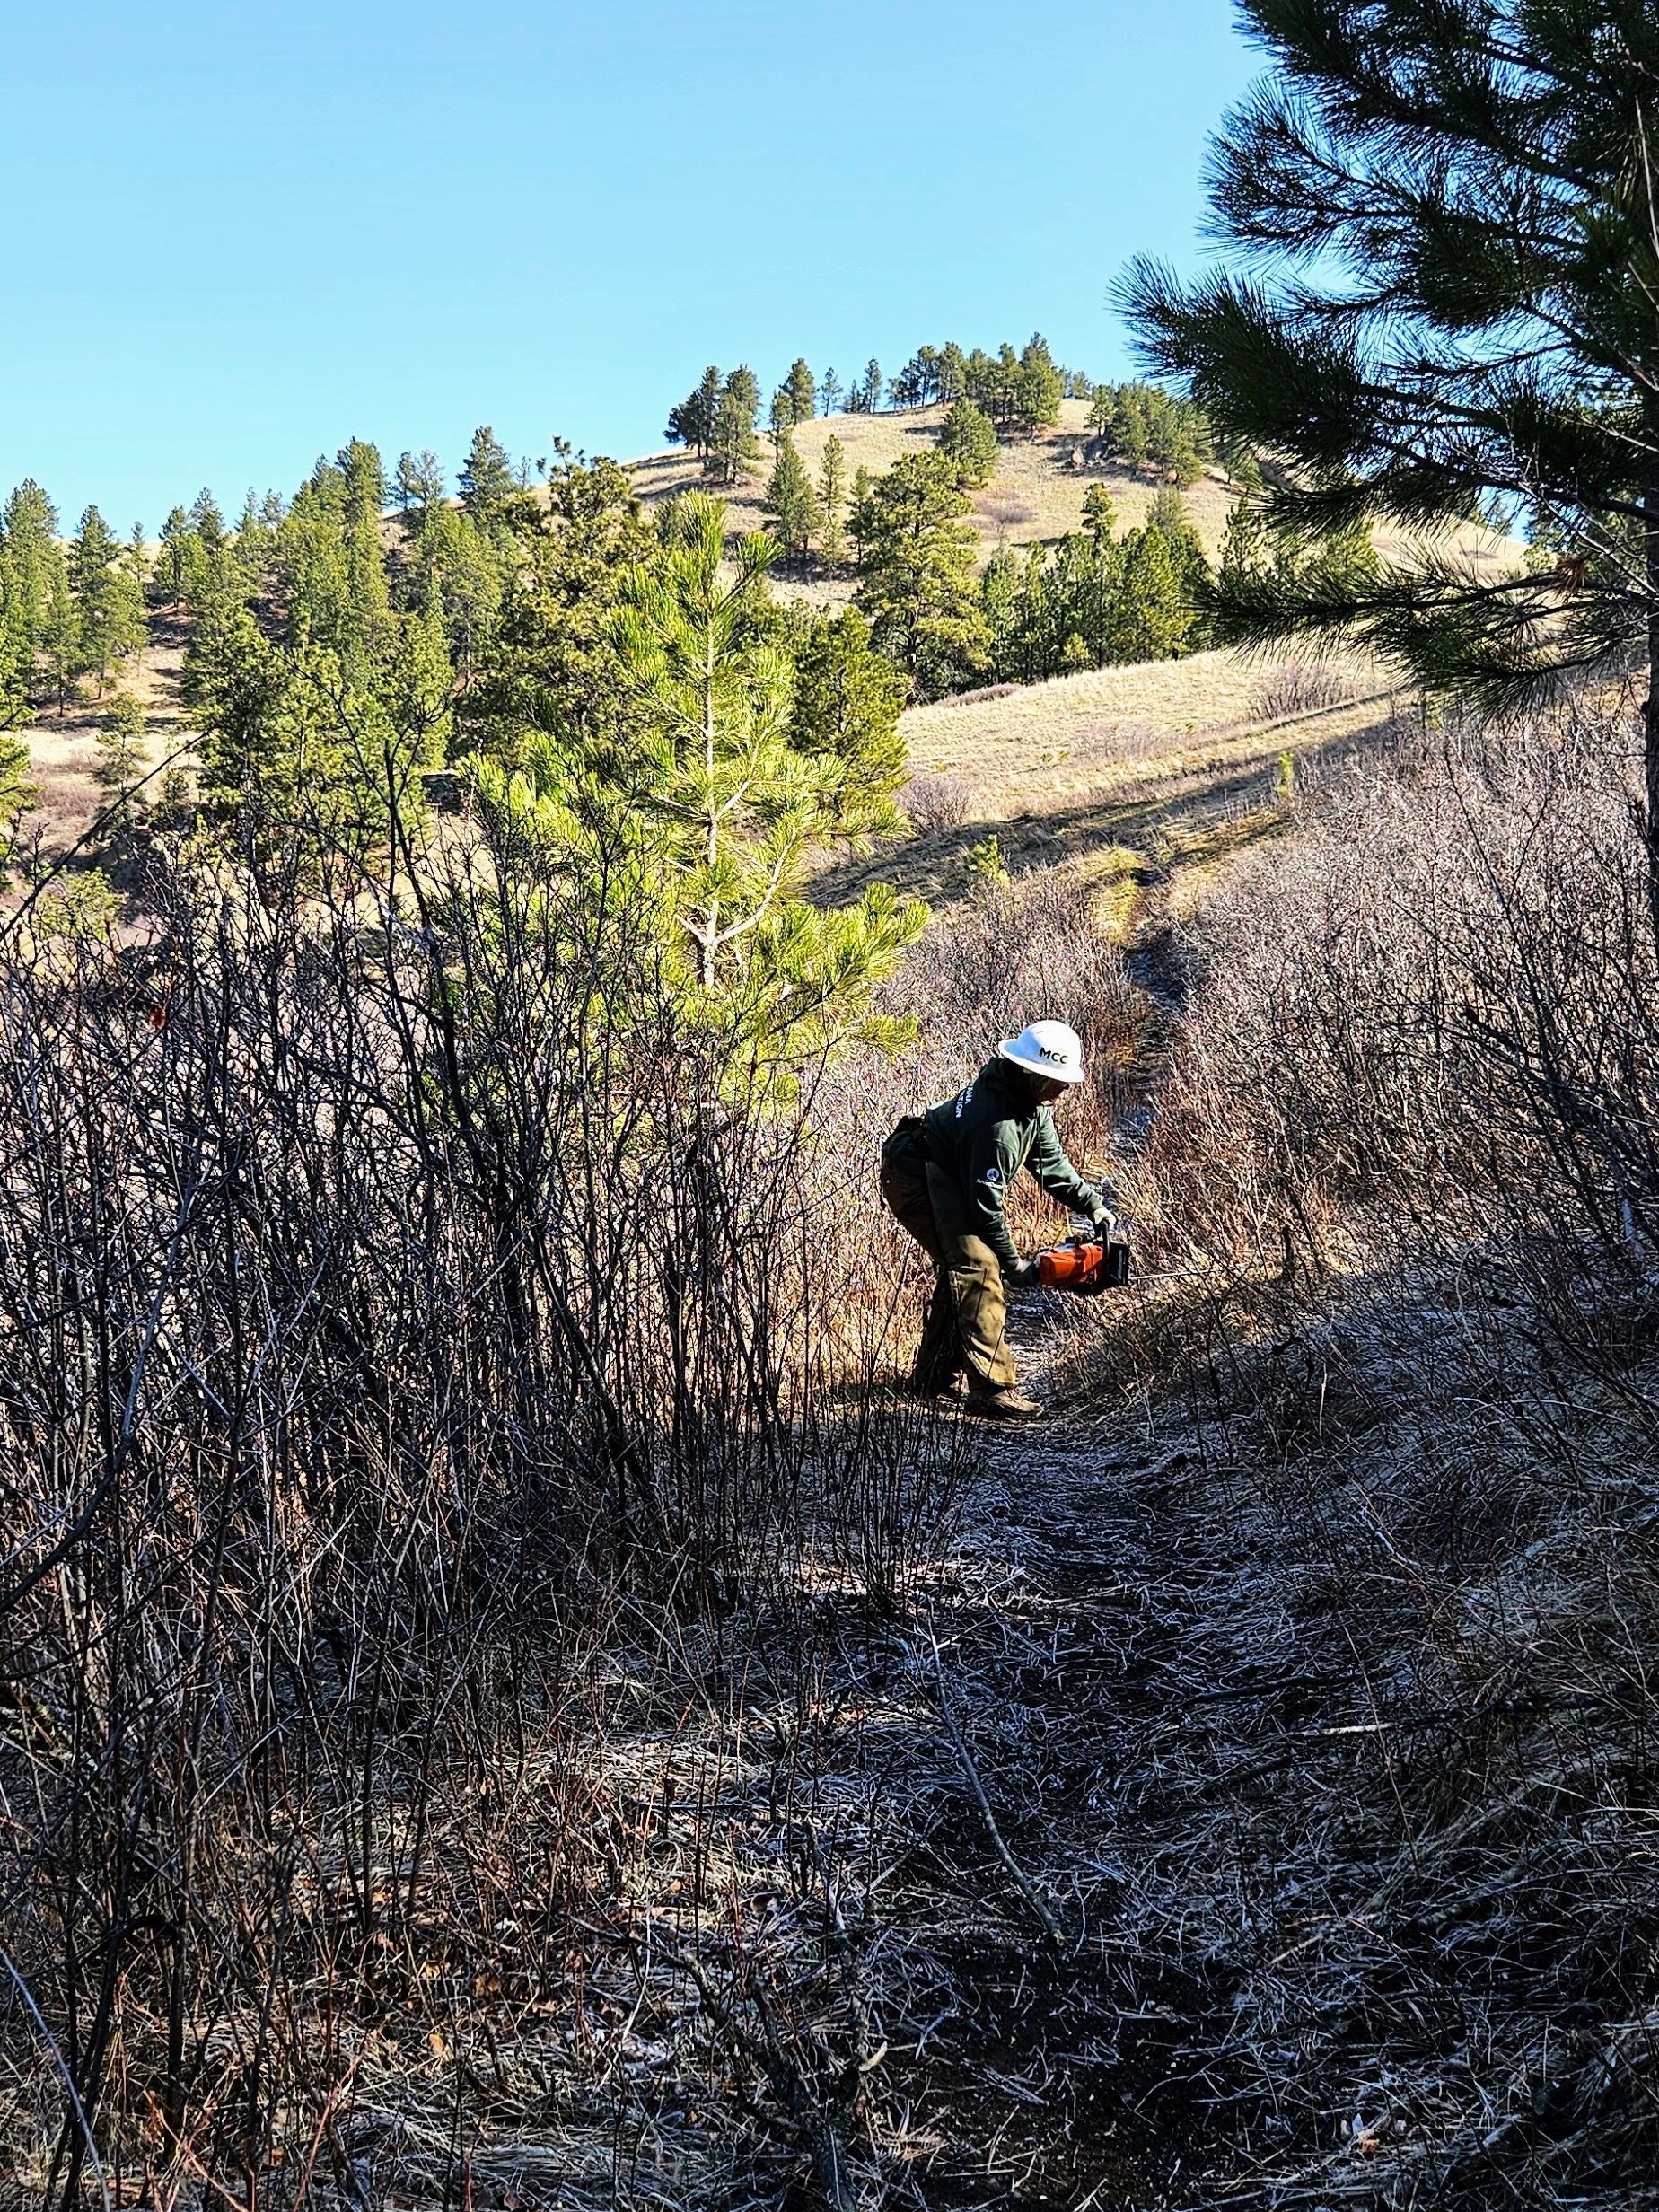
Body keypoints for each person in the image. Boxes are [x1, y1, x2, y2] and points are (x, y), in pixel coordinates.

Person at [880, 1020, 1118, 1422]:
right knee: (979, 1267)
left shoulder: (1029, 1102)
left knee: (961, 1268)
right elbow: (985, 1207)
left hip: (946, 1168)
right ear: (1032, 1072)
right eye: (1056, 1080)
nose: (1064, 1089)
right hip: (915, 1172)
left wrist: (1092, 1205)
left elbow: (1051, 1163)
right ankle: (993, 1390)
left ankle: (931, 1378)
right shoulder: (998, 1127)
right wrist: (1014, 1264)